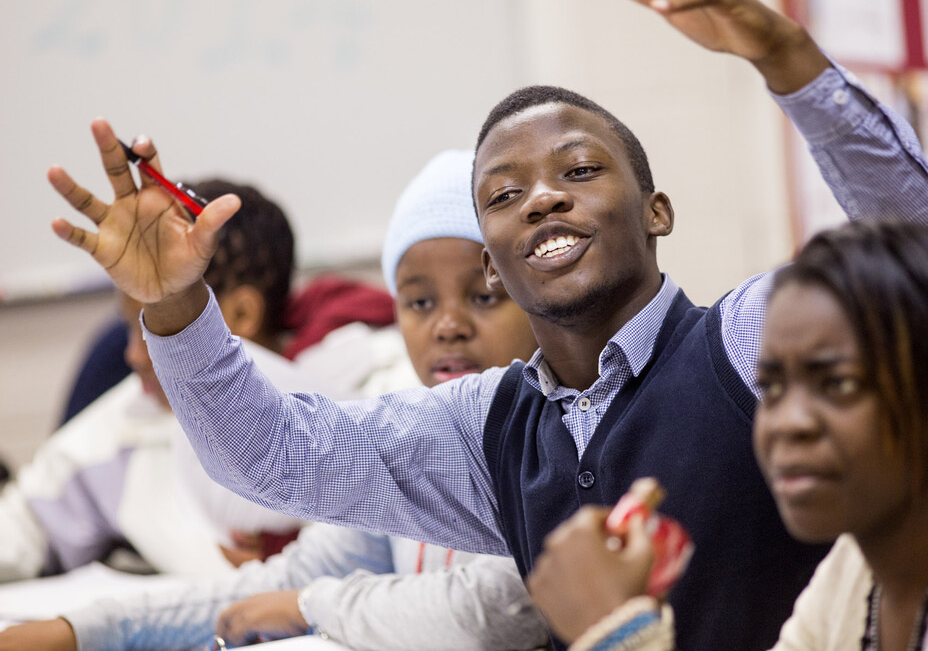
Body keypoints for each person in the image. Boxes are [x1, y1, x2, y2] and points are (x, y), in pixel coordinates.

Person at [44, 0, 928, 647]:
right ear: (492, 256)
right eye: (503, 192)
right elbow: (276, 455)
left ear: (656, 213)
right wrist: (174, 304)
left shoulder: (747, 341)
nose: (541, 198)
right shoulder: (489, 429)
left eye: (578, 170)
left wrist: (787, 63)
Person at [0, 151, 547, 651]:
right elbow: (289, 551)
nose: (448, 326)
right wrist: (88, 631)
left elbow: (499, 612)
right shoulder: (418, 434)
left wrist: (314, 607)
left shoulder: (563, 437)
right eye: (420, 301)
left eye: (484, 296)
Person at [528, 221, 928, 650]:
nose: (789, 423)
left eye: (838, 384)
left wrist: (617, 632)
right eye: (772, 386)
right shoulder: (860, 565)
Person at [0, 179, 312, 584]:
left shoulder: (342, 393)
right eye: (132, 326)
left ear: (239, 314)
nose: (130, 354)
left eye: (149, 326)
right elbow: (23, 522)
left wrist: (292, 563)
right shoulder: (128, 424)